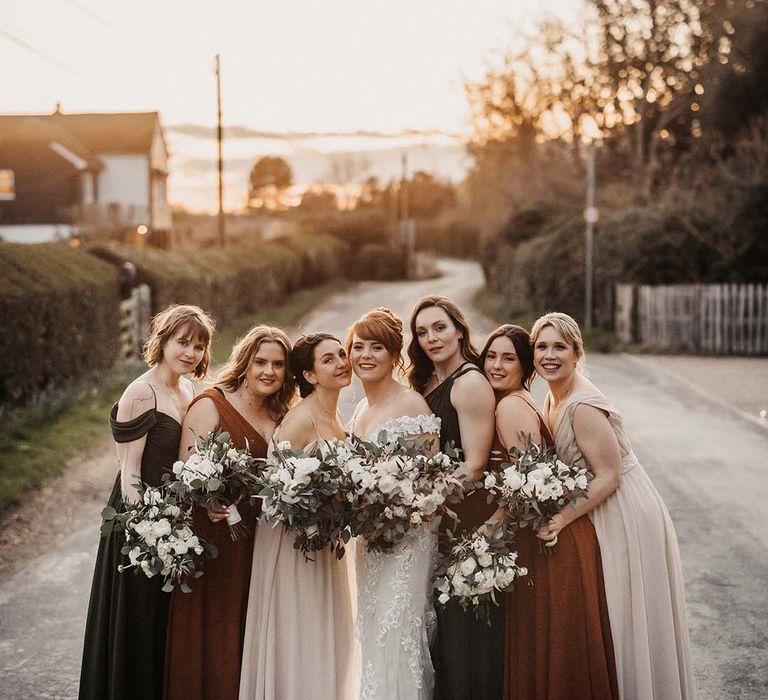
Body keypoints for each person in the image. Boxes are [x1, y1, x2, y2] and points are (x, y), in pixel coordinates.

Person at [532, 312, 697, 700]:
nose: (549, 355)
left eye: (559, 347)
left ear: (577, 353)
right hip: (602, 502)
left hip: (624, 509)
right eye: (541, 347)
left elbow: (608, 475)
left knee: (627, 613)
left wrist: (561, 519)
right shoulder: (552, 395)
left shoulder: (582, 405)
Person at [79, 304, 215, 700]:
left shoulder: (188, 389)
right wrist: (149, 534)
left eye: (198, 346)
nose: (190, 353)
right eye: (182, 342)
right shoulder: (140, 392)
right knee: (136, 618)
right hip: (141, 523)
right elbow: (130, 473)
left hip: (173, 518)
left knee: (163, 621)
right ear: (164, 341)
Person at [480, 324, 618, 700]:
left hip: (552, 535)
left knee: (557, 646)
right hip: (551, 531)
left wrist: (492, 527)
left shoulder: (512, 406)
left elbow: (530, 483)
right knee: (557, 643)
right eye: (490, 356)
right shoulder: (535, 401)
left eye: (508, 358)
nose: (496, 365)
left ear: (525, 366)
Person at [164, 326, 295, 700]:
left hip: (264, 541)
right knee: (215, 632)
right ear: (245, 362)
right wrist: (208, 500)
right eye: (261, 362)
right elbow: (185, 471)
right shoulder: (211, 404)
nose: (268, 371)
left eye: (278, 364)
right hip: (217, 539)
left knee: (251, 635)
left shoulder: (282, 414)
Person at [238, 333, 355, 700]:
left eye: (341, 354)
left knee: (325, 630)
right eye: (329, 360)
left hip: (326, 543)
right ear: (309, 375)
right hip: (293, 548)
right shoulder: (299, 421)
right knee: (301, 631)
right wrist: (319, 504)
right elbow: (276, 495)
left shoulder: (335, 416)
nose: (341, 362)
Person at [407, 295, 500, 700]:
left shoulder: (471, 383)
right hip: (438, 516)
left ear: (459, 329)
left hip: (465, 517)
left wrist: (420, 500)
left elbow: (476, 465)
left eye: (439, 328)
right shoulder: (426, 381)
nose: (431, 338)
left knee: (463, 626)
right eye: (422, 332)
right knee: (436, 625)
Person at [347, 308, 441, 699]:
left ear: (393, 356)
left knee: (395, 628)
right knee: (371, 629)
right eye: (357, 347)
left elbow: (431, 488)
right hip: (370, 543)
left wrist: (392, 517)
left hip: (406, 543)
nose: (365, 355)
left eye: (376, 348)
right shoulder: (359, 409)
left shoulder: (412, 406)